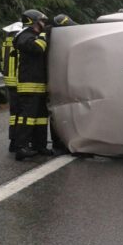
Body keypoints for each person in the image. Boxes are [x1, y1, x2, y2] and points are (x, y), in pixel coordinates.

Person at [12, 10, 53, 160]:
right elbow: (38, 48)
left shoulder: (33, 36)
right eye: (41, 22)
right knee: (27, 117)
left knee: (41, 117)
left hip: (39, 84)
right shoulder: (24, 36)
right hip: (29, 84)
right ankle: (21, 147)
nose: (43, 25)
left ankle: (39, 145)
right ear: (33, 22)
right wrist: (43, 35)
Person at [47, 14, 77, 153]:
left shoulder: (56, 37)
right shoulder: (51, 38)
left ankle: (66, 142)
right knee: (57, 112)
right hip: (55, 80)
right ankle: (58, 143)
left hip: (64, 79)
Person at [1, 21, 22, 152]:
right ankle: (18, 141)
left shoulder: (6, 44)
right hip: (18, 82)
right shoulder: (18, 44)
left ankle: (13, 140)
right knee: (21, 114)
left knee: (14, 113)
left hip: (9, 82)